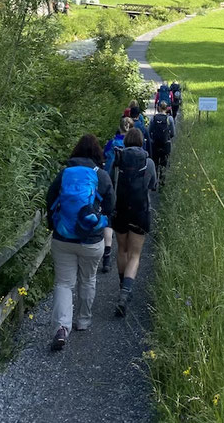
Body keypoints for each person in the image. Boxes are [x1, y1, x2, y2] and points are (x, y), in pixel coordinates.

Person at [46, 134, 115, 350]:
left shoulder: (64, 174)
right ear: (97, 154)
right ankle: (83, 321)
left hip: (63, 237)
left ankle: (61, 328)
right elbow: (111, 206)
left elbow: (50, 200)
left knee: (64, 283)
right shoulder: (101, 176)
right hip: (92, 240)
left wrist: (53, 225)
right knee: (88, 279)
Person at [112, 127, 156, 317]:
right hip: (140, 212)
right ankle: (125, 293)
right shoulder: (148, 162)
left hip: (120, 210)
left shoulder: (118, 159)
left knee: (122, 249)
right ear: (141, 142)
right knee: (135, 254)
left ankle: (123, 287)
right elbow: (153, 186)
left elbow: (112, 183)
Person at [101, 117, 134, 273]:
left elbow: (103, 159)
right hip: (126, 188)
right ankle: (126, 254)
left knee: (108, 218)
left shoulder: (111, 143)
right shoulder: (132, 147)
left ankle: (107, 254)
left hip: (110, 185)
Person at [148, 102, 175, 185]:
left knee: (155, 162)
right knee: (164, 162)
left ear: (159, 108)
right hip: (165, 144)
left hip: (155, 144)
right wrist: (168, 137)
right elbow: (173, 133)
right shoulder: (169, 119)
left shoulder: (153, 118)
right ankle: (162, 180)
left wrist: (153, 139)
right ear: (166, 108)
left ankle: (154, 182)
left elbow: (149, 131)